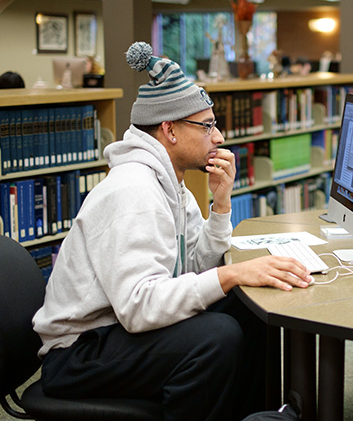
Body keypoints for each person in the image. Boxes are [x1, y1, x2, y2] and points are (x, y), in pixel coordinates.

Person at [32, 41, 313, 421]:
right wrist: (229, 274)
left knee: (249, 302)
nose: (219, 137)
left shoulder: (171, 183)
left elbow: (195, 262)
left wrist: (221, 205)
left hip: (116, 330)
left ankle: (256, 414)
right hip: (80, 353)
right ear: (170, 130)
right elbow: (138, 307)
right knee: (217, 337)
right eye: (208, 126)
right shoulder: (135, 191)